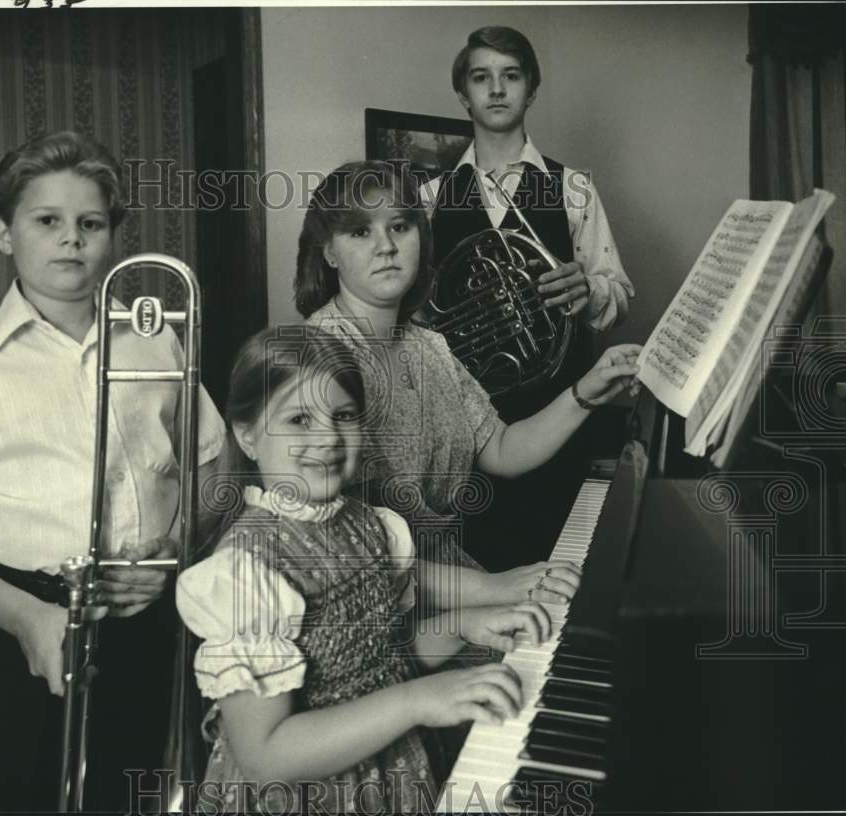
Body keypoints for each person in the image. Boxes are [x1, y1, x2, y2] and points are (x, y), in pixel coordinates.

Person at [0, 130, 226, 812]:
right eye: (47, 221)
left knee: (140, 784)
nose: (71, 240)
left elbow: (212, 463)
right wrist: (27, 616)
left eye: (90, 223)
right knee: (25, 793)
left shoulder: (159, 341)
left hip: (150, 614)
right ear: (3, 234)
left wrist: (174, 550)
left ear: (113, 236)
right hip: (17, 621)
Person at [176, 325, 555, 813]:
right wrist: (417, 700)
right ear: (247, 436)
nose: (328, 438)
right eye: (298, 420)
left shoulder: (369, 525)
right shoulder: (245, 571)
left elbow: (377, 666)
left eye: (343, 415)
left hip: (386, 773)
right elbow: (266, 757)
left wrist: (463, 624)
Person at [296, 160, 641, 586]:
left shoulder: (428, 345)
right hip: (379, 599)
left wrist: (588, 390)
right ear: (329, 250)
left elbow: (501, 449)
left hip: (449, 576)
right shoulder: (316, 358)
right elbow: (341, 549)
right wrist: (495, 589)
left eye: (400, 226)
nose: (385, 246)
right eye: (360, 231)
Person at [419, 26, 637, 567]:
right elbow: (418, 315)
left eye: (510, 76)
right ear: (463, 94)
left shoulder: (573, 188)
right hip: (465, 428)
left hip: (559, 416)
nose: (496, 89)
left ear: (531, 90)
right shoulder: (429, 198)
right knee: (475, 576)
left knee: (558, 572)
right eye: (481, 77)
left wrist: (588, 291)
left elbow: (619, 294)